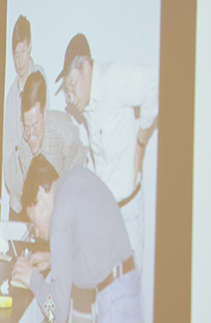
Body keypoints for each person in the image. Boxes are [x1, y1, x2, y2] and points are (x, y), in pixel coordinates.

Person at [12, 154, 143, 323]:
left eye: (32, 219)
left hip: (115, 304)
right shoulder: (75, 180)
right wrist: (53, 258)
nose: (37, 232)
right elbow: (90, 245)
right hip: (126, 289)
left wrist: (33, 280)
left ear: (40, 194)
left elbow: (58, 314)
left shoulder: (59, 218)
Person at [55, 33, 158, 273]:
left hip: (127, 211)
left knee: (128, 291)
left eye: (71, 87)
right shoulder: (89, 106)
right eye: (67, 92)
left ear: (87, 68)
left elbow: (154, 81)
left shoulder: (112, 79)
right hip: (106, 215)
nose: (70, 98)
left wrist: (141, 144)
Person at [13, 71, 86, 206]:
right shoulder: (24, 148)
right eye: (26, 127)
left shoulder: (65, 132)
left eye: (35, 126)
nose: (30, 136)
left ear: (44, 114)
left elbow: (80, 163)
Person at [3, 15, 48, 217]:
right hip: (18, 200)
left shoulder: (41, 78)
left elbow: (45, 136)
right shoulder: (11, 96)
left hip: (40, 194)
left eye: (22, 51)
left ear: (30, 46)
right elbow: (7, 152)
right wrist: (18, 188)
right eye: (15, 55)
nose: (19, 60)